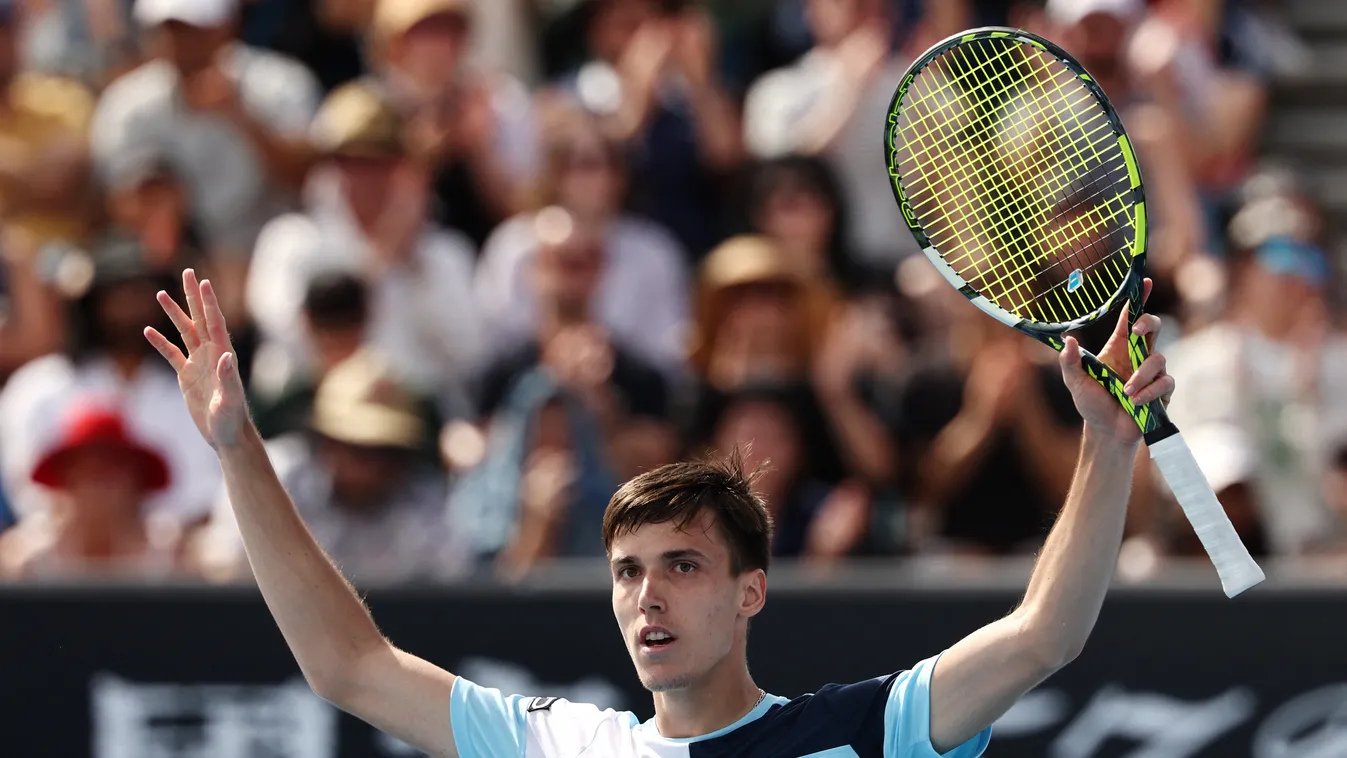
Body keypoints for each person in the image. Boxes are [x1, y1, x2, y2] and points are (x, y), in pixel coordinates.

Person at [145, 269, 1176, 757]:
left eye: (682, 564)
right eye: (628, 569)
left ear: (749, 591)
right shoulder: (564, 742)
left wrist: (1106, 442)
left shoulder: (866, 727)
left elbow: (1047, 629)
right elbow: (349, 665)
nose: (647, 594)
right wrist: (239, 449)